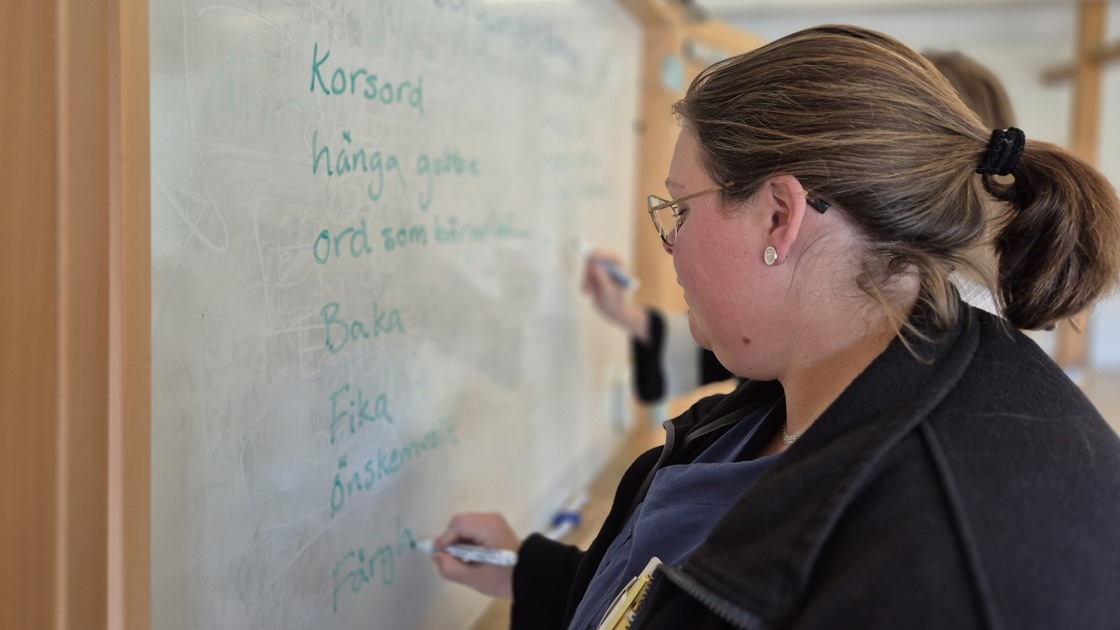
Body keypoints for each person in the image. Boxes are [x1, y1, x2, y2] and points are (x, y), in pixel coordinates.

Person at [430, 25, 1120, 629]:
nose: (668, 242)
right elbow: (675, 592)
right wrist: (532, 576)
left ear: (778, 219)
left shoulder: (956, 570)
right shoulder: (808, 384)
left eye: (680, 208)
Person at [586, 48, 1020, 405]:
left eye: (683, 208)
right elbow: (740, 331)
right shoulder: (862, 299)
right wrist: (628, 315)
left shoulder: (924, 315)